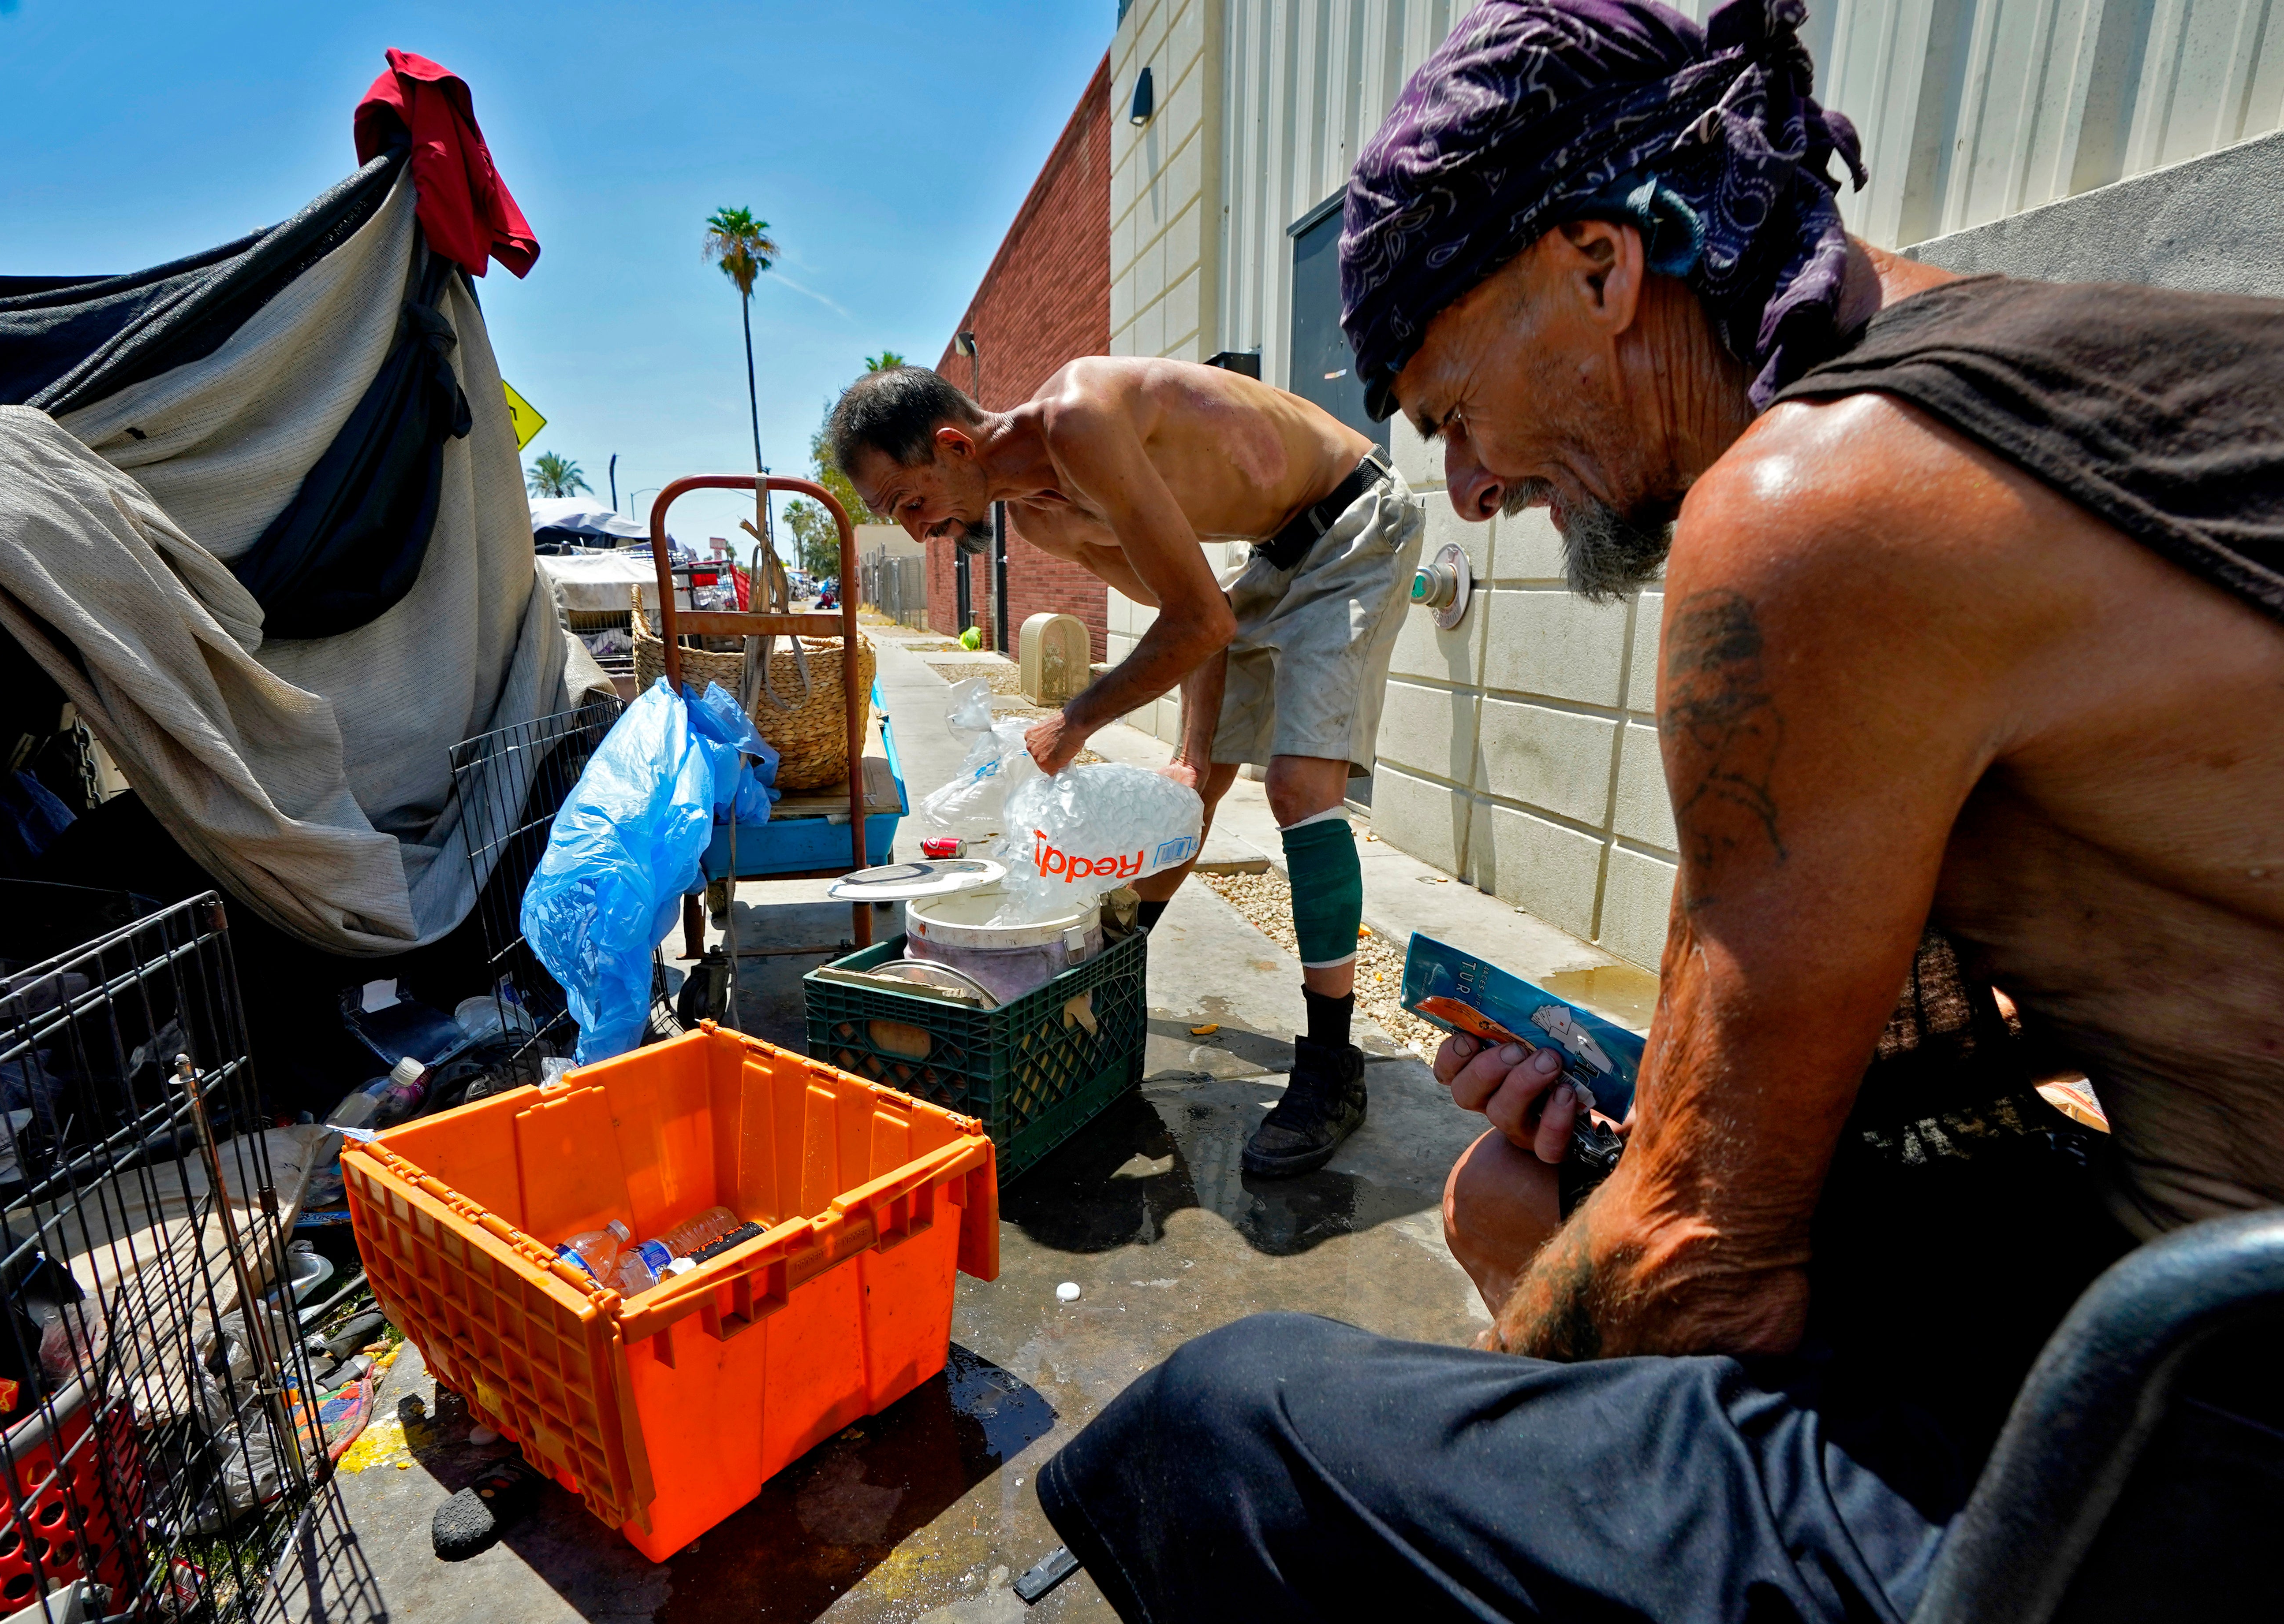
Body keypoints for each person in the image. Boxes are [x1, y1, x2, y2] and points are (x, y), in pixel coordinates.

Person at [1036, 0, 2284, 1617]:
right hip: (2178, 1294)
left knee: (1227, 1422)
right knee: (1531, 1194)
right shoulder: (2046, 371)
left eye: (1453, 412)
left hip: (2204, 1414)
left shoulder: (1820, 503)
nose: (1468, 489)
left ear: (1599, 269)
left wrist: (1479, 1418)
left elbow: (1704, 1262)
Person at [825, 359, 1420, 1174]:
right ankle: (1110, 981)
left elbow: (1200, 621)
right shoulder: (1044, 522)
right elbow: (1199, 613)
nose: (918, 532)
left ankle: (1331, 1064)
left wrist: (1074, 722)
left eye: (909, 503)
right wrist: (1191, 761)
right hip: (1272, 557)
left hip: (1354, 522)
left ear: (955, 446)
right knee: (1189, 796)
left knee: (1297, 788)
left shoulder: (1080, 419)